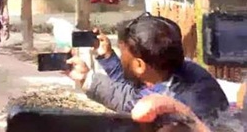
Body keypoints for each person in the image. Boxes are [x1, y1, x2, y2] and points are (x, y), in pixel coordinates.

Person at [65, 13, 229, 123]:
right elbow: (135, 85)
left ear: (139, 65)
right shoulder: (180, 70)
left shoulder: (170, 107)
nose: (121, 58)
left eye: (123, 54)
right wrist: (107, 57)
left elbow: (129, 100)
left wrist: (87, 79)